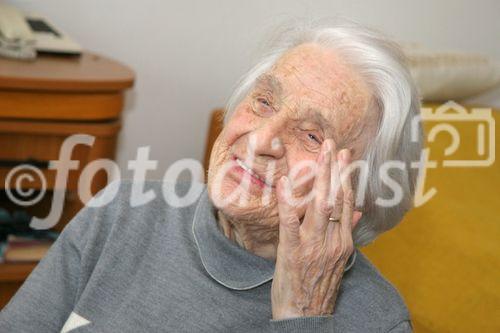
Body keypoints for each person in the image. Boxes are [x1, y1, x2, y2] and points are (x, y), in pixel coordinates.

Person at [0, 20, 422, 332]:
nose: (261, 140)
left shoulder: (378, 322)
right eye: (263, 101)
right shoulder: (121, 214)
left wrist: (303, 315)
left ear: (357, 192)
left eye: (311, 135)